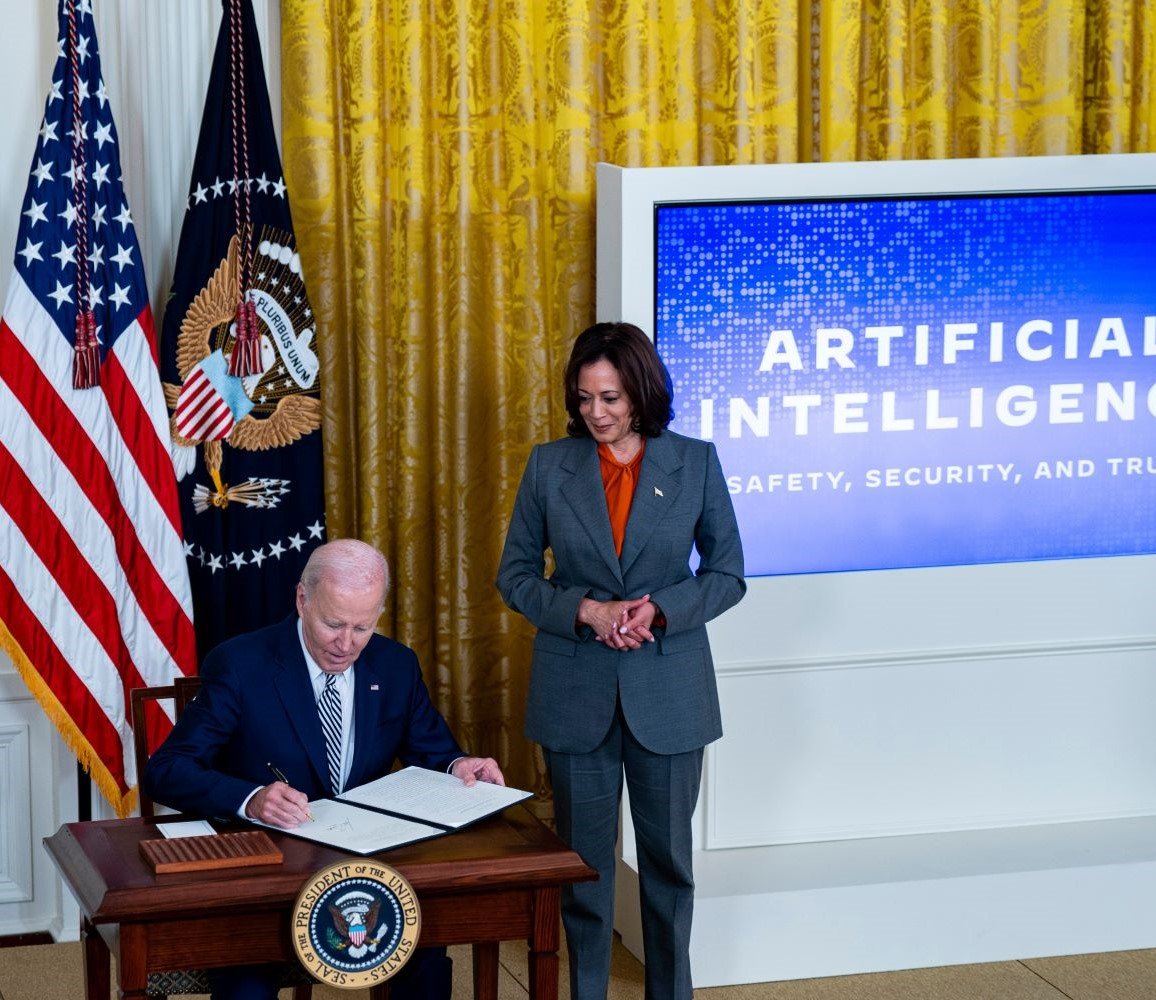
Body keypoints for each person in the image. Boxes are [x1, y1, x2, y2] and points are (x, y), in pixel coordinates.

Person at [496, 321, 746, 1000]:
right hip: (577, 693)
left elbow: (727, 574)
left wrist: (659, 609)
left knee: (668, 868)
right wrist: (588, 611)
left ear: (640, 394)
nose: (595, 413)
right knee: (584, 869)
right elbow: (516, 576)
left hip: (669, 694)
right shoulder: (550, 466)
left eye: (609, 398)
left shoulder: (694, 462)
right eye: (583, 399)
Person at [145, 538, 504, 1000]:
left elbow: (432, 750)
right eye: (333, 623)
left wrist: (460, 764)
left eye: (362, 626)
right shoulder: (241, 665)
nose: (346, 643)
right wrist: (250, 799)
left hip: (371, 868)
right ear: (302, 599)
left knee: (427, 959)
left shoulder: (395, 665)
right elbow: (168, 770)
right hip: (266, 878)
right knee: (247, 990)